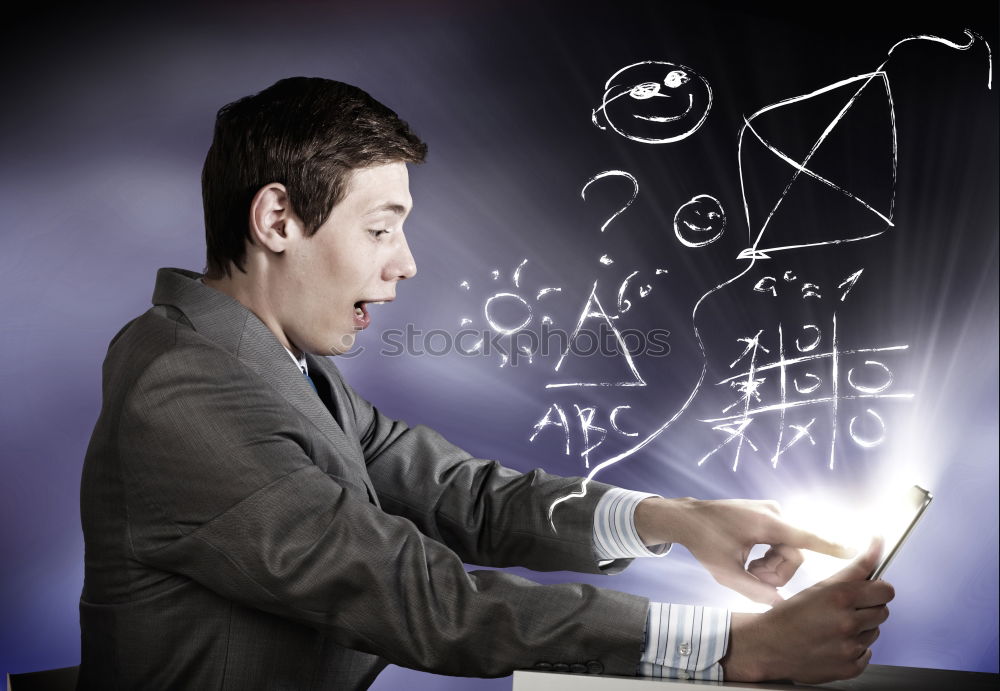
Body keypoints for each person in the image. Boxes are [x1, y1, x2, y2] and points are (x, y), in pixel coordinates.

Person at [77, 77, 894, 690]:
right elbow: (417, 599)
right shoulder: (188, 390)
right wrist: (731, 645)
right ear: (278, 219)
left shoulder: (273, 364)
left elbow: (464, 497)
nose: (405, 263)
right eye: (379, 228)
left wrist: (670, 517)